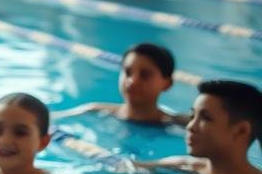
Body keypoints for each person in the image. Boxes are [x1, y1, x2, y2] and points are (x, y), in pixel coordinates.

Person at [136, 80, 262, 174]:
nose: (190, 126)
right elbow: (127, 166)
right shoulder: (183, 166)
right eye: (192, 116)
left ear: (241, 131)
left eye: (206, 118)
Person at [54, 43, 186, 125]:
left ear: (167, 83)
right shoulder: (93, 111)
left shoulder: (180, 125)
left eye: (145, 75)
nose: (132, 81)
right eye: (128, 72)